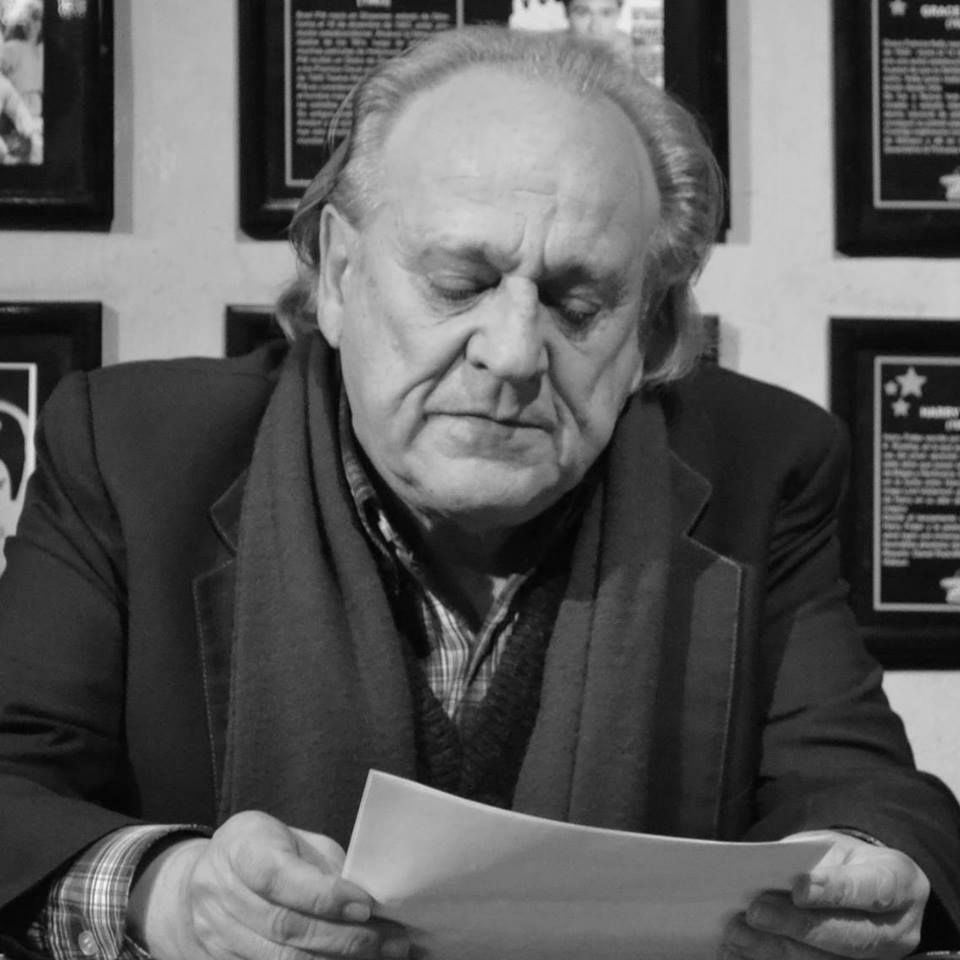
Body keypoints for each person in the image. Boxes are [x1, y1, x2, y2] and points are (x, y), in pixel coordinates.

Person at [1, 24, 959, 960]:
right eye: (460, 283)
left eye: (578, 305)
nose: (513, 354)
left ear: (648, 330)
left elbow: (865, 792)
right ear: (338, 274)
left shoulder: (764, 468)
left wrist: (861, 878)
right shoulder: (134, 457)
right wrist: (166, 895)